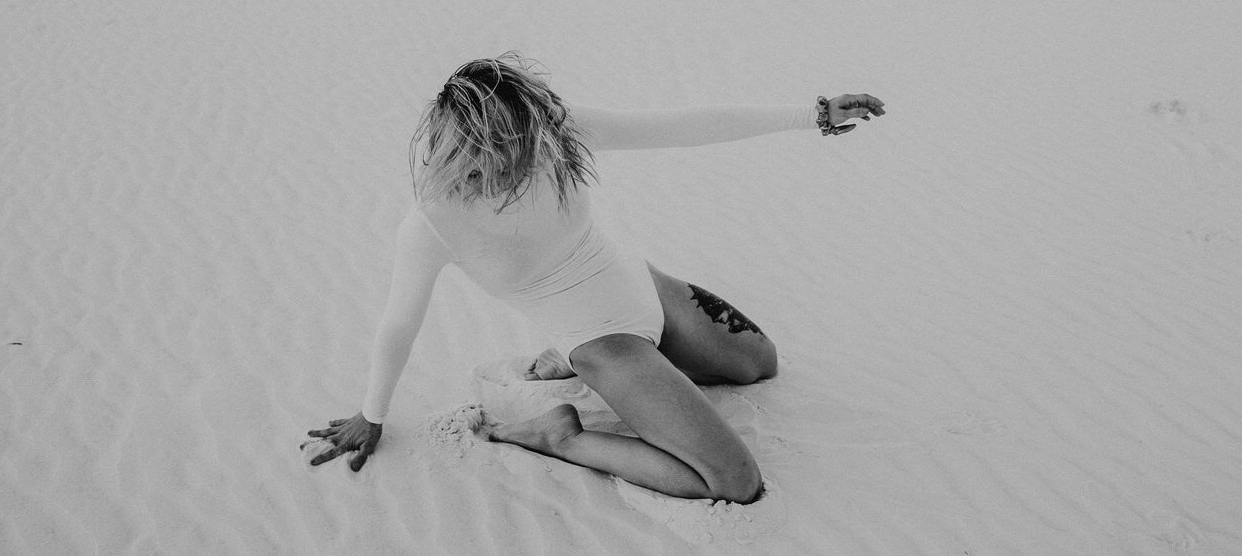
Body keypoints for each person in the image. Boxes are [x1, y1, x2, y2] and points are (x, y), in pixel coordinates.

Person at [305, 53, 885, 504]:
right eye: (514, 145)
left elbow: (682, 126)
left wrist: (813, 115)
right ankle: (562, 437)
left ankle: (611, 365)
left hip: (641, 284)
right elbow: (398, 324)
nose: (535, 152)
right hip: (603, 341)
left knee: (760, 364)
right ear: (472, 146)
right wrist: (371, 415)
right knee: (732, 481)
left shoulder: (553, 130)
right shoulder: (434, 221)